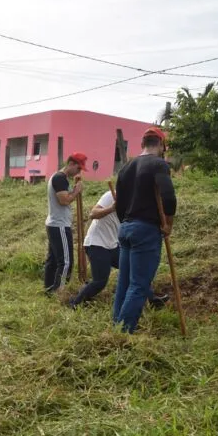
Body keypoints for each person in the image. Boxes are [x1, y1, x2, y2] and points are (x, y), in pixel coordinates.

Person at [113, 127, 176, 333]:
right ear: (161, 145)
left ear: (142, 144)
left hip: (125, 228)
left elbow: (119, 204)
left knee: (124, 283)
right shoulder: (159, 164)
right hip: (146, 229)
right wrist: (168, 225)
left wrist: (127, 223)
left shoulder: (125, 168)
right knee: (139, 285)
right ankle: (123, 334)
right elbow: (168, 198)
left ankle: (116, 326)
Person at [70, 189, 169, 308]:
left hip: (113, 245)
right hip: (96, 244)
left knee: (135, 269)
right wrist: (112, 208)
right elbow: (93, 214)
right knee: (100, 281)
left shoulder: (137, 203)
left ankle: (152, 300)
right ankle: (76, 303)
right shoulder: (111, 196)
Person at [44, 152, 86, 294]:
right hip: (60, 225)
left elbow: (65, 197)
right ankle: (59, 292)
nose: (79, 172)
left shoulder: (60, 178)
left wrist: (73, 191)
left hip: (54, 223)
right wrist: (76, 191)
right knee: (66, 262)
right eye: (78, 168)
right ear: (71, 164)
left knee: (54, 260)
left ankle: (49, 289)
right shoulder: (60, 178)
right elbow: (64, 200)